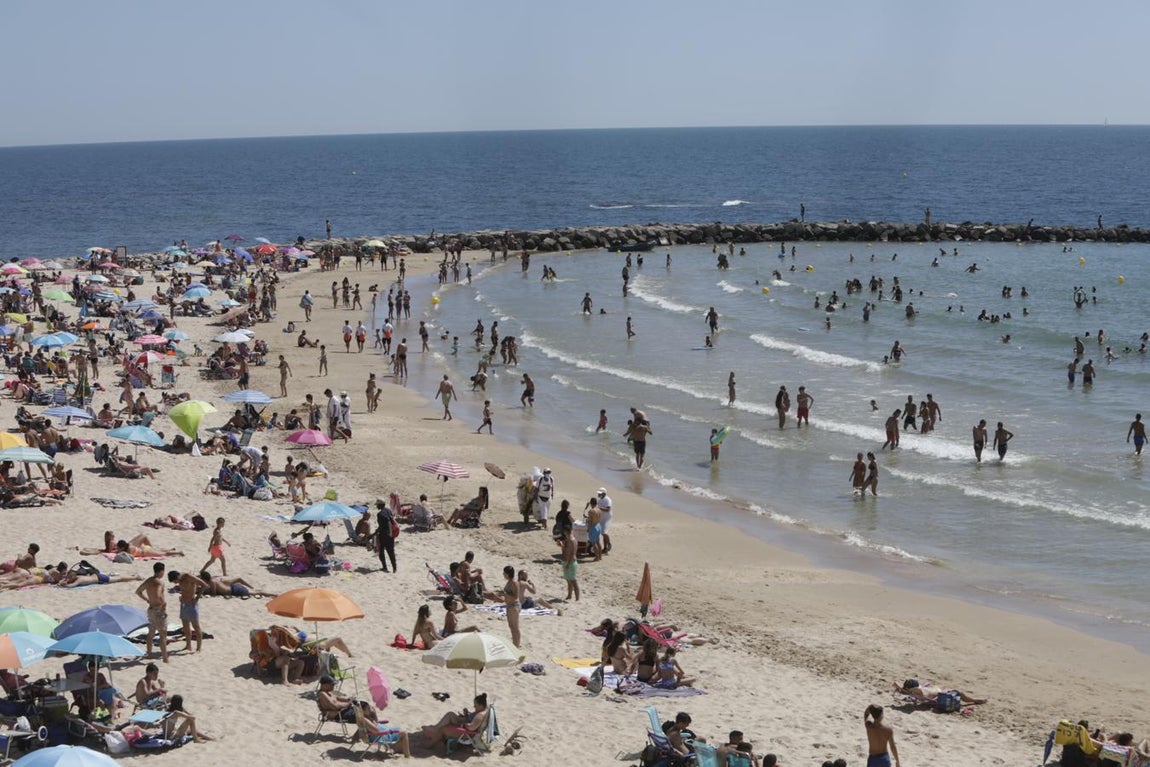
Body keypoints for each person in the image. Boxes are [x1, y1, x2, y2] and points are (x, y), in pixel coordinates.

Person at [421, 692, 490, 747]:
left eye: (475, 705)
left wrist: (464, 723)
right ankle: (435, 729)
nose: (474, 707)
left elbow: (471, 728)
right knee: (450, 714)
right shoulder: (483, 711)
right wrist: (466, 715)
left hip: (467, 734)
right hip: (464, 725)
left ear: (481, 705)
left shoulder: (480, 715)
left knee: (443, 728)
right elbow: (472, 721)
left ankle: (430, 743)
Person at [135, 562, 169, 662]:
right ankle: (165, 658)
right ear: (161, 571)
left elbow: (138, 591)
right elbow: (158, 594)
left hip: (151, 609)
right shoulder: (159, 582)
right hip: (159, 610)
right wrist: (164, 604)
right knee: (163, 635)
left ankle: (149, 654)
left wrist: (147, 599)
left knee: (151, 633)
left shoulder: (149, 581)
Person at [167, 570, 207, 654]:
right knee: (185, 626)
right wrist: (181, 596)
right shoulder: (180, 580)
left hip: (192, 605)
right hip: (183, 604)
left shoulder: (188, 577)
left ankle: (198, 648)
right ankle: (188, 645)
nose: (175, 583)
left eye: (175, 581)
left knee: (196, 626)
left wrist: (197, 598)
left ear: (177, 577)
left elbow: (204, 585)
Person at [895, 679, 986, 706]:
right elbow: (904, 688)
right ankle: (975, 700)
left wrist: (899, 687)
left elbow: (898, 685)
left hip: (938, 691)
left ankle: (975, 700)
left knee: (956, 691)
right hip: (940, 695)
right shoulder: (918, 691)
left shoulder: (915, 690)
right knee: (960, 693)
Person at [199, 571, 276, 597]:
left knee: (258, 592)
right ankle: (252, 587)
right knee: (239, 579)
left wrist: (203, 592)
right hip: (232, 587)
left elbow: (214, 594)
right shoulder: (213, 579)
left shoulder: (212, 582)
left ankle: (274, 594)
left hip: (235, 590)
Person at [500, 565, 522, 647]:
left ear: (508, 574)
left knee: (515, 627)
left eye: (504, 573)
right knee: (511, 626)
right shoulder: (509, 582)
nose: (503, 574)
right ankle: (515, 643)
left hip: (514, 605)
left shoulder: (514, 582)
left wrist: (504, 594)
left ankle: (517, 644)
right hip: (510, 605)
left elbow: (515, 596)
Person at [375, 499, 397, 573]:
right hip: (391, 535)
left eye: (377, 505)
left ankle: (385, 567)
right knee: (391, 552)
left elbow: (382, 526)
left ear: (380, 505)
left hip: (384, 535)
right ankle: (394, 568)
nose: (376, 506)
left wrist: (374, 533)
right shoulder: (388, 510)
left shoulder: (380, 514)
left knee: (381, 551)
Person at [561, 527, 580, 602]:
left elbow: (572, 553)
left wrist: (568, 564)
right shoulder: (568, 540)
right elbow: (566, 551)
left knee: (573, 581)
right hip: (567, 561)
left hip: (570, 562)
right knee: (568, 580)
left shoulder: (572, 541)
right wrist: (562, 545)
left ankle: (577, 598)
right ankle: (569, 595)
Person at [595, 488, 614, 554]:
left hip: (607, 518)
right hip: (601, 517)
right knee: (601, 532)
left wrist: (599, 508)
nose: (598, 494)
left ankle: (609, 544)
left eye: (600, 493)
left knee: (604, 532)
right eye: (598, 493)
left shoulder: (608, 500)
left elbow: (608, 509)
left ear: (604, 493)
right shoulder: (599, 500)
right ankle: (605, 548)